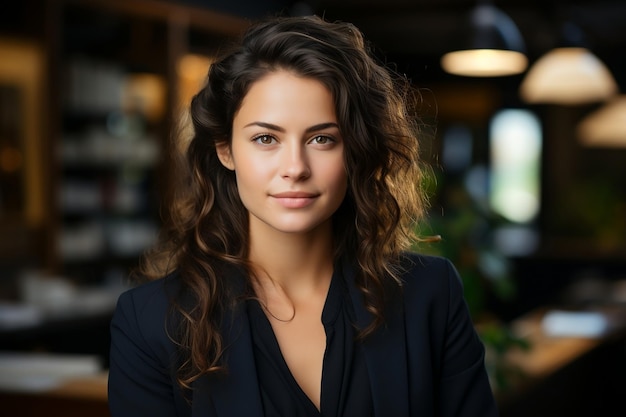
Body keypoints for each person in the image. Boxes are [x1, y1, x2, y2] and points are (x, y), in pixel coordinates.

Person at [108, 14, 499, 417]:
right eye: (265, 139)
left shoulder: (431, 295)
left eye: (321, 139)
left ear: (355, 150)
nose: (295, 167)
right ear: (225, 150)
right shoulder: (151, 322)